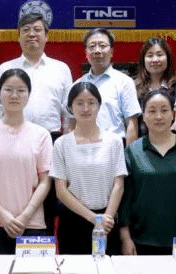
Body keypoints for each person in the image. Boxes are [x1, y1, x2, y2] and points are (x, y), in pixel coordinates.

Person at [0, 69, 52, 254]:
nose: (15, 95)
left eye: (21, 90)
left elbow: (45, 181)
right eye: (8, 89)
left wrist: (25, 216)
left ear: (28, 95)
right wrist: (1, 214)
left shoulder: (42, 135)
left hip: (31, 223)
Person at [119, 89, 176, 255]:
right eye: (152, 111)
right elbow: (125, 201)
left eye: (164, 110)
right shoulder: (133, 151)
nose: (158, 116)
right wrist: (125, 238)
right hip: (140, 241)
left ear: (173, 114)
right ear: (143, 116)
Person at [50, 82, 127, 255]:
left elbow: (119, 184)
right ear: (70, 107)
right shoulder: (61, 144)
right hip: (73, 221)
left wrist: (105, 219)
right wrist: (93, 218)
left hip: (108, 221)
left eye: (91, 102)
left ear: (99, 105)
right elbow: (61, 191)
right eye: (79, 103)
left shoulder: (114, 141)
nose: (86, 108)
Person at [0, 13, 73, 138]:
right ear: (18, 37)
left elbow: (68, 110)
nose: (32, 34)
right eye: (26, 30)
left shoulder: (62, 69)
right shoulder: (5, 68)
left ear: (46, 36)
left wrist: (67, 139)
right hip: (12, 136)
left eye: (37, 29)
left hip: (51, 137)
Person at [76, 28, 141, 145]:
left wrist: (128, 154)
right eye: (92, 46)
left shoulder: (124, 82)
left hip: (115, 147)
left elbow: (131, 123)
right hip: (84, 147)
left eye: (102, 46)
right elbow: (72, 122)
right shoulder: (77, 85)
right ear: (86, 52)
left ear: (111, 51)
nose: (97, 51)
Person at [133, 37, 176, 137]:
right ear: (143, 60)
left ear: (168, 58)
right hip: (141, 144)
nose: (155, 60)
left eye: (159, 55)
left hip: (171, 143)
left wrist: (162, 140)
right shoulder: (133, 88)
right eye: (150, 55)